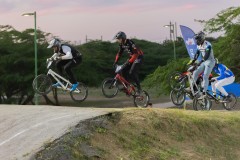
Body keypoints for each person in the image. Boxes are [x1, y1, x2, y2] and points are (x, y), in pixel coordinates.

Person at [188, 31, 215, 99]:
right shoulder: (198, 45)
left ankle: (204, 92)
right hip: (204, 61)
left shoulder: (208, 44)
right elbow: (197, 53)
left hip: (210, 61)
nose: (197, 40)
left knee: (205, 76)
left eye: (198, 39)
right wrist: (193, 60)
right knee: (195, 73)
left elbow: (207, 55)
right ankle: (191, 88)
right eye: (196, 39)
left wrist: (201, 61)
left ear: (202, 38)